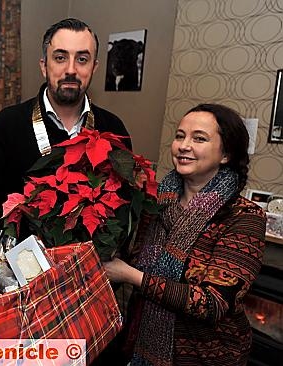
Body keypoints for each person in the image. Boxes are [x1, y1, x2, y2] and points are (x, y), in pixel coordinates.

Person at [103, 104, 266, 365]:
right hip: (140, 344)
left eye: (199, 138)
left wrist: (129, 275)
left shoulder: (244, 217)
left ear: (226, 154)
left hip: (205, 356)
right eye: (180, 136)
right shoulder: (156, 202)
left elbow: (212, 304)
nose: (183, 145)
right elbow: (135, 258)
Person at [0, 18, 132, 220]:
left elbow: (124, 205)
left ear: (94, 67)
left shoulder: (114, 129)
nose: (71, 69)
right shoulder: (7, 125)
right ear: (44, 66)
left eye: (82, 59)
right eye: (60, 58)